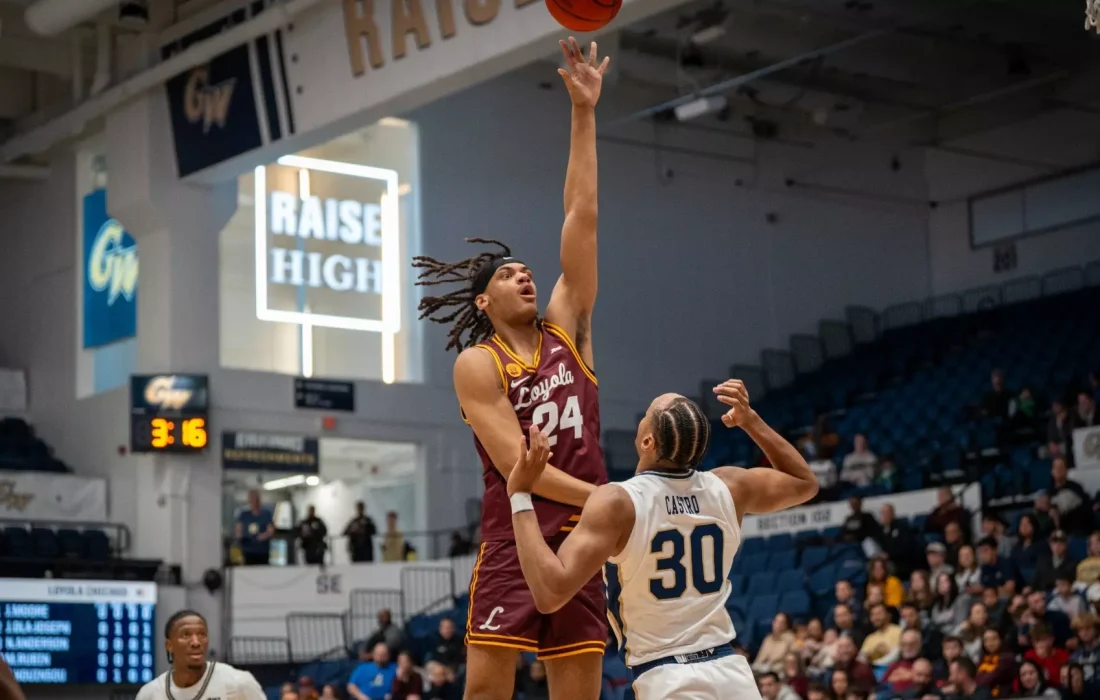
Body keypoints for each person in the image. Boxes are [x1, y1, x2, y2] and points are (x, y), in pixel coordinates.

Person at [413, 37, 612, 700]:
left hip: (584, 538)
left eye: (526, 268)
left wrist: (583, 112)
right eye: (506, 273)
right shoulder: (478, 362)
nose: (523, 273)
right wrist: (614, 500)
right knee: (485, 695)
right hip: (517, 532)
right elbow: (517, 470)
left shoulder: (569, 327)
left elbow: (580, 215)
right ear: (483, 300)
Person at [504, 379, 818, 699]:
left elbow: (549, 592)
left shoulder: (618, 503)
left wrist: (519, 495)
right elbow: (804, 482)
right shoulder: (729, 486)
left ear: (647, 442)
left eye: (646, 415)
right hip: (731, 675)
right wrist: (751, 420)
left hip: (667, 678)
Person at [136, 610, 265, 700]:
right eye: (186, 635)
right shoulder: (149, 694)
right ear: (169, 645)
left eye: (202, 634)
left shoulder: (239, 683)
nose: (196, 642)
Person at [235, 490, 275, 566]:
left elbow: (270, 531)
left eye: (255, 499)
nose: (253, 502)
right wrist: (240, 537)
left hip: (262, 551)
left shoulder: (266, 514)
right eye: (251, 499)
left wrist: (264, 536)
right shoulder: (244, 515)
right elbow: (238, 530)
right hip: (248, 551)